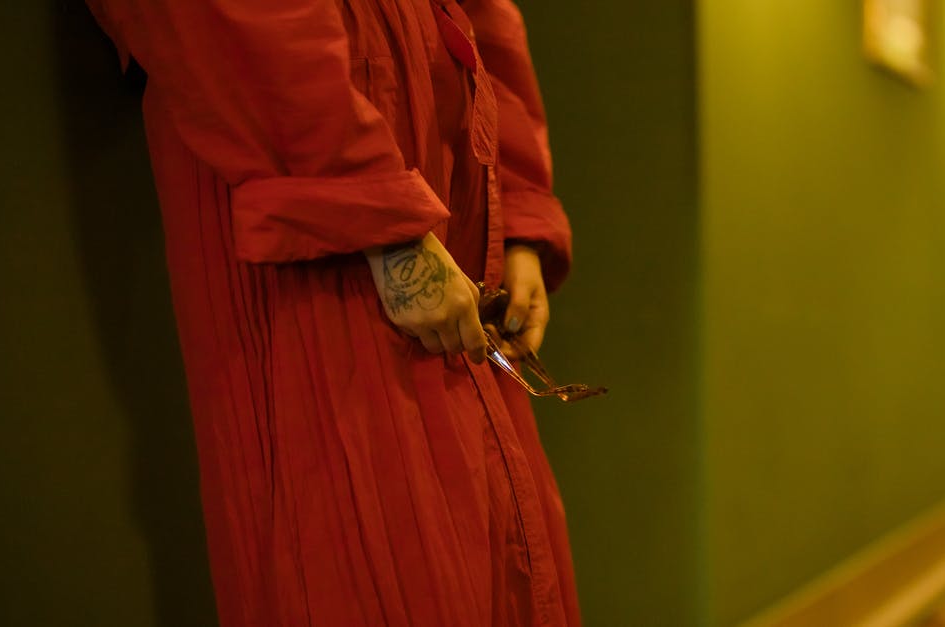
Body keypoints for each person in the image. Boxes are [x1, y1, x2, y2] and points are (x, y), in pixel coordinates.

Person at [86, 1, 580, 625]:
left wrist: (518, 214)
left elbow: (490, 19)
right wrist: (370, 211)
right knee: (352, 553)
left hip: (441, 175)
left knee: (488, 545)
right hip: (306, 186)